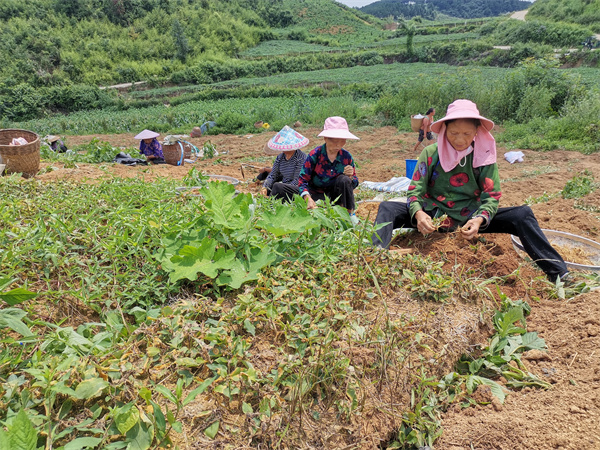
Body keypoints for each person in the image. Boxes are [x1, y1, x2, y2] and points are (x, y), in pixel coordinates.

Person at [372, 99, 570, 283]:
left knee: (522, 215)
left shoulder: (483, 157)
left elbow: (491, 196)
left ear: (477, 131)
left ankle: (559, 274)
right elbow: (415, 190)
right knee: (387, 208)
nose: (459, 140)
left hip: (469, 219)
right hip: (434, 216)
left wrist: (479, 219)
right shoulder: (431, 153)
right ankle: (375, 258)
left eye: (467, 134)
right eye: (453, 133)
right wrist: (419, 213)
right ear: (444, 130)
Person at [260, 125, 308, 200]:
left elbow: (297, 181)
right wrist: (265, 187)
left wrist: (282, 188)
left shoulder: (301, 158)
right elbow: (273, 175)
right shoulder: (280, 157)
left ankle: (270, 202)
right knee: (268, 179)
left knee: (277, 187)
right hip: (284, 185)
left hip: (297, 188)